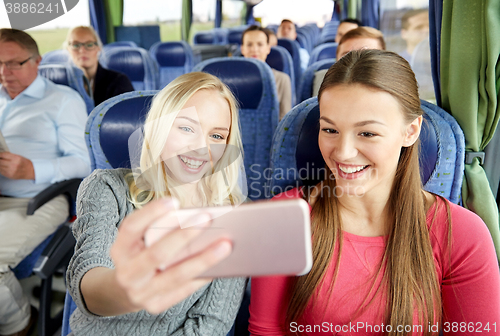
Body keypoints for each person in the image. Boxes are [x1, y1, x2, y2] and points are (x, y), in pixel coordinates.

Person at [249, 50, 500, 335]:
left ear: (411, 131)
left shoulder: (462, 235)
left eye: (367, 133)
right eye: (330, 130)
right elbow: (266, 330)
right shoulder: (282, 219)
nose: (343, 153)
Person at [66, 72, 248, 335]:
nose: (201, 148)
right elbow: (88, 280)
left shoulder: (235, 216)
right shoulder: (107, 189)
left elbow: (210, 323)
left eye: (217, 137)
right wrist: (126, 291)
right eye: (186, 128)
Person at [0, 28, 90, 336]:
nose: (4, 73)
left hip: (40, 198)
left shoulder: (62, 100)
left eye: (14, 63)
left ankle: (18, 324)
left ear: (37, 62)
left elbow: (84, 162)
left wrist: (32, 169)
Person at [65, 26, 134, 106]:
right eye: (76, 45)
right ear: (68, 49)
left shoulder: (119, 81)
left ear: (98, 48)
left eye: (89, 45)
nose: (82, 50)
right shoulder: (63, 84)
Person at [312, 26, 385, 96]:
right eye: (347, 56)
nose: (355, 62)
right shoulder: (318, 82)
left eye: (367, 56)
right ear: (336, 60)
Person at [241, 25, 292, 120]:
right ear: (242, 49)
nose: (254, 49)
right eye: (249, 45)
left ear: (268, 48)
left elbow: (285, 123)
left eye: (260, 44)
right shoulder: (232, 79)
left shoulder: (282, 79)